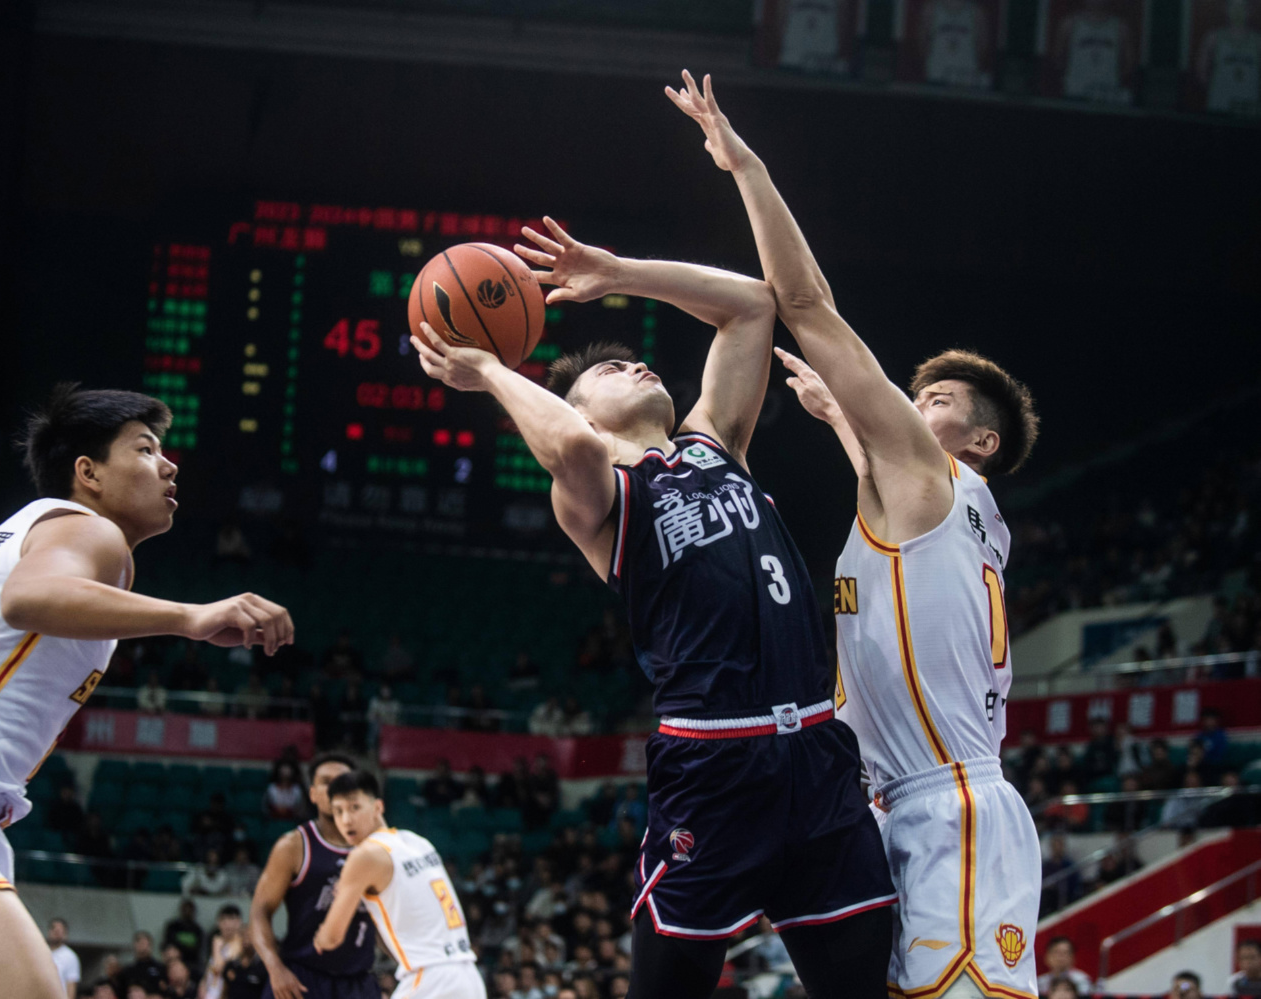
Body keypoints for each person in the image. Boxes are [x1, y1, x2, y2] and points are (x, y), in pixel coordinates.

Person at [416, 207, 893, 996]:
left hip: (817, 754)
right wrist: (493, 371)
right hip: (714, 761)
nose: (636, 366)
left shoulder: (717, 440)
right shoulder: (599, 493)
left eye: (634, 361)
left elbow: (750, 303)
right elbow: (567, 442)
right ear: (583, 409)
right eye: (609, 373)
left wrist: (617, 273)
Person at [666, 69, 1043, 999]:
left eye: (937, 401)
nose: (914, 408)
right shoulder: (939, 510)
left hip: (951, 811)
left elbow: (807, 304)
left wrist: (746, 168)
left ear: (980, 441)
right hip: (895, 803)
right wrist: (840, 418)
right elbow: (893, 485)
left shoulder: (930, 482)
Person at [0, 384, 296, 999]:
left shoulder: (33, 532)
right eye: (146, 449)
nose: (169, 464)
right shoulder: (92, 532)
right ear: (87, 472)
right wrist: (190, 618)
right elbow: (24, 600)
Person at [314, 771, 483, 999]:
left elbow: (331, 938)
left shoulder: (365, 856)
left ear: (377, 807)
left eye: (355, 808)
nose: (346, 820)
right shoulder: (418, 842)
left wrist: (319, 936)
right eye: (338, 812)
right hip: (468, 977)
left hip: (431, 981)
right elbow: (401, 937)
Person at [249, 753, 376, 999]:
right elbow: (259, 913)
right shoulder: (293, 846)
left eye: (343, 781)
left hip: (358, 983)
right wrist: (275, 968)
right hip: (302, 979)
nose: (335, 788)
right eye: (327, 782)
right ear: (313, 793)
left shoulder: (376, 849)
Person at [1053, 0, 1136, 104]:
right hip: (1074, 94)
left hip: (1109, 96)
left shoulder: (1121, 28)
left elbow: (1129, 63)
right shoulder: (1069, 24)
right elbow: (1058, 58)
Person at [1196, 0, 1261, 115]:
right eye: (1233, 6)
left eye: (1242, 7)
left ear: (1249, 11)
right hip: (1219, 106)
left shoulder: (1257, 41)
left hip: (1250, 108)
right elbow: (1201, 72)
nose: (1238, 11)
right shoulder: (1213, 38)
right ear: (1226, 9)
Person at [200, 905, 246, 999]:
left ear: (239, 922)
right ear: (218, 923)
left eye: (231, 919)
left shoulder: (240, 945)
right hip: (210, 992)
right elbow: (210, 970)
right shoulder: (220, 942)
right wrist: (202, 985)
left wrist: (216, 948)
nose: (227, 924)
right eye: (224, 920)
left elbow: (219, 969)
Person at [121, 931, 165, 998]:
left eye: (145, 943)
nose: (143, 946)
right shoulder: (128, 970)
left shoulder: (160, 968)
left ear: (150, 945)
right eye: (140, 942)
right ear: (135, 945)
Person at [164, 900, 205, 967]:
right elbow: (168, 945)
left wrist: (181, 948)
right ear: (181, 910)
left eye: (190, 909)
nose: (187, 912)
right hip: (174, 961)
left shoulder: (198, 930)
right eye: (185, 909)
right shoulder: (173, 926)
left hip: (192, 963)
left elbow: (197, 950)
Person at [48, 918, 80, 999]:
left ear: (65, 934)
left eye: (60, 931)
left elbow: (71, 985)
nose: (56, 933)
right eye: (54, 929)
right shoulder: (42, 952)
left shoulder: (70, 957)